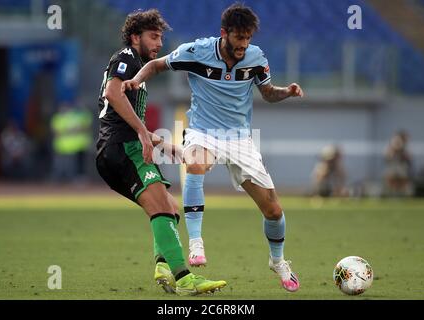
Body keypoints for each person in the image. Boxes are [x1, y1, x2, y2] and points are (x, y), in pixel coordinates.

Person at [122, 3, 302, 292]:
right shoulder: (196, 52)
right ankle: (195, 243)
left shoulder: (256, 58)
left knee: (273, 210)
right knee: (194, 163)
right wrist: (134, 80)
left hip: (241, 139)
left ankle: (278, 261)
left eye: (248, 38)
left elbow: (268, 94)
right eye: (238, 38)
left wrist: (287, 92)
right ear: (224, 33)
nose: (243, 44)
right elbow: (156, 65)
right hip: (203, 132)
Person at [95, 9, 226, 296]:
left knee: (170, 208)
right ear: (135, 37)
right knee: (163, 207)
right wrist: (142, 134)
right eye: (153, 37)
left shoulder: (136, 68)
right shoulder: (126, 58)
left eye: (161, 38)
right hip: (122, 148)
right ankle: (184, 279)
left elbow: (127, 117)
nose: (158, 44)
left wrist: (171, 149)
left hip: (117, 149)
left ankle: (163, 267)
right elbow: (112, 94)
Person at [383, 130, 413, 196]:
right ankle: (390, 193)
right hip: (393, 164)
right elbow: (388, 155)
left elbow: (409, 157)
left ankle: (403, 193)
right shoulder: (395, 142)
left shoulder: (405, 146)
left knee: (403, 179)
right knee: (390, 178)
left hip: (401, 164)